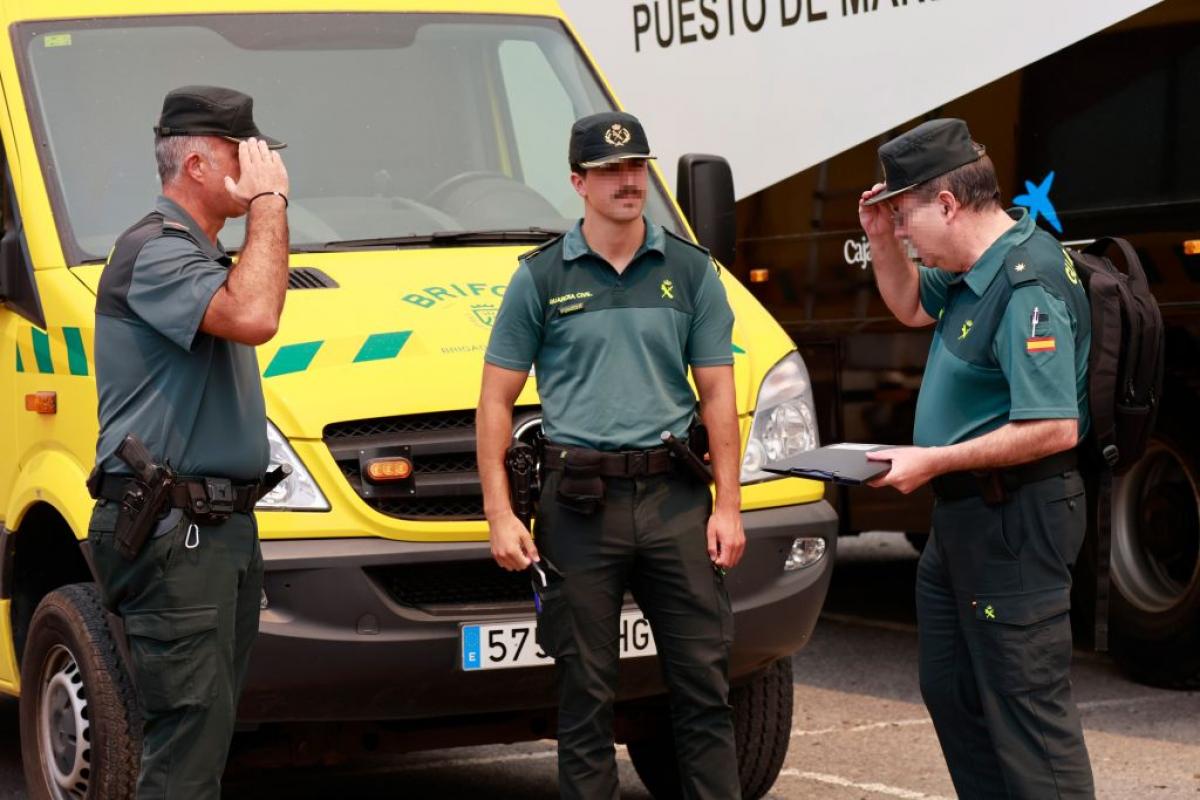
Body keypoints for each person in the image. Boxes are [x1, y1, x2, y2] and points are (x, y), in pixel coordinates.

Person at [477, 111, 745, 800]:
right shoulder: (540, 278)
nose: (628, 181)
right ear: (578, 182)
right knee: (585, 699)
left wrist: (729, 507)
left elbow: (718, 395)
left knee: (705, 689)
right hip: (578, 506)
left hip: (675, 503)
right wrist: (500, 515)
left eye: (636, 167)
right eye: (609, 171)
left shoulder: (691, 271)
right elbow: (495, 402)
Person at [859, 118, 1095, 798]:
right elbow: (909, 304)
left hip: (1013, 521)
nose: (902, 230)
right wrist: (881, 240)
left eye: (903, 216)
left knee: (1027, 719)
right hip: (965, 521)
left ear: (947, 205)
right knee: (954, 693)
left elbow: (1054, 427)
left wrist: (933, 460)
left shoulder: (1025, 284)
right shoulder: (971, 269)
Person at [87, 85, 289, 799]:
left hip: (212, 530)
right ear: (198, 164)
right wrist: (269, 204)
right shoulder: (153, 250)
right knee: (185, 755)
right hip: (177, 531)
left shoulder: (197, 254)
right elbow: (256, 314)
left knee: (203, 746)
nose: (260, 166)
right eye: (243, 154)